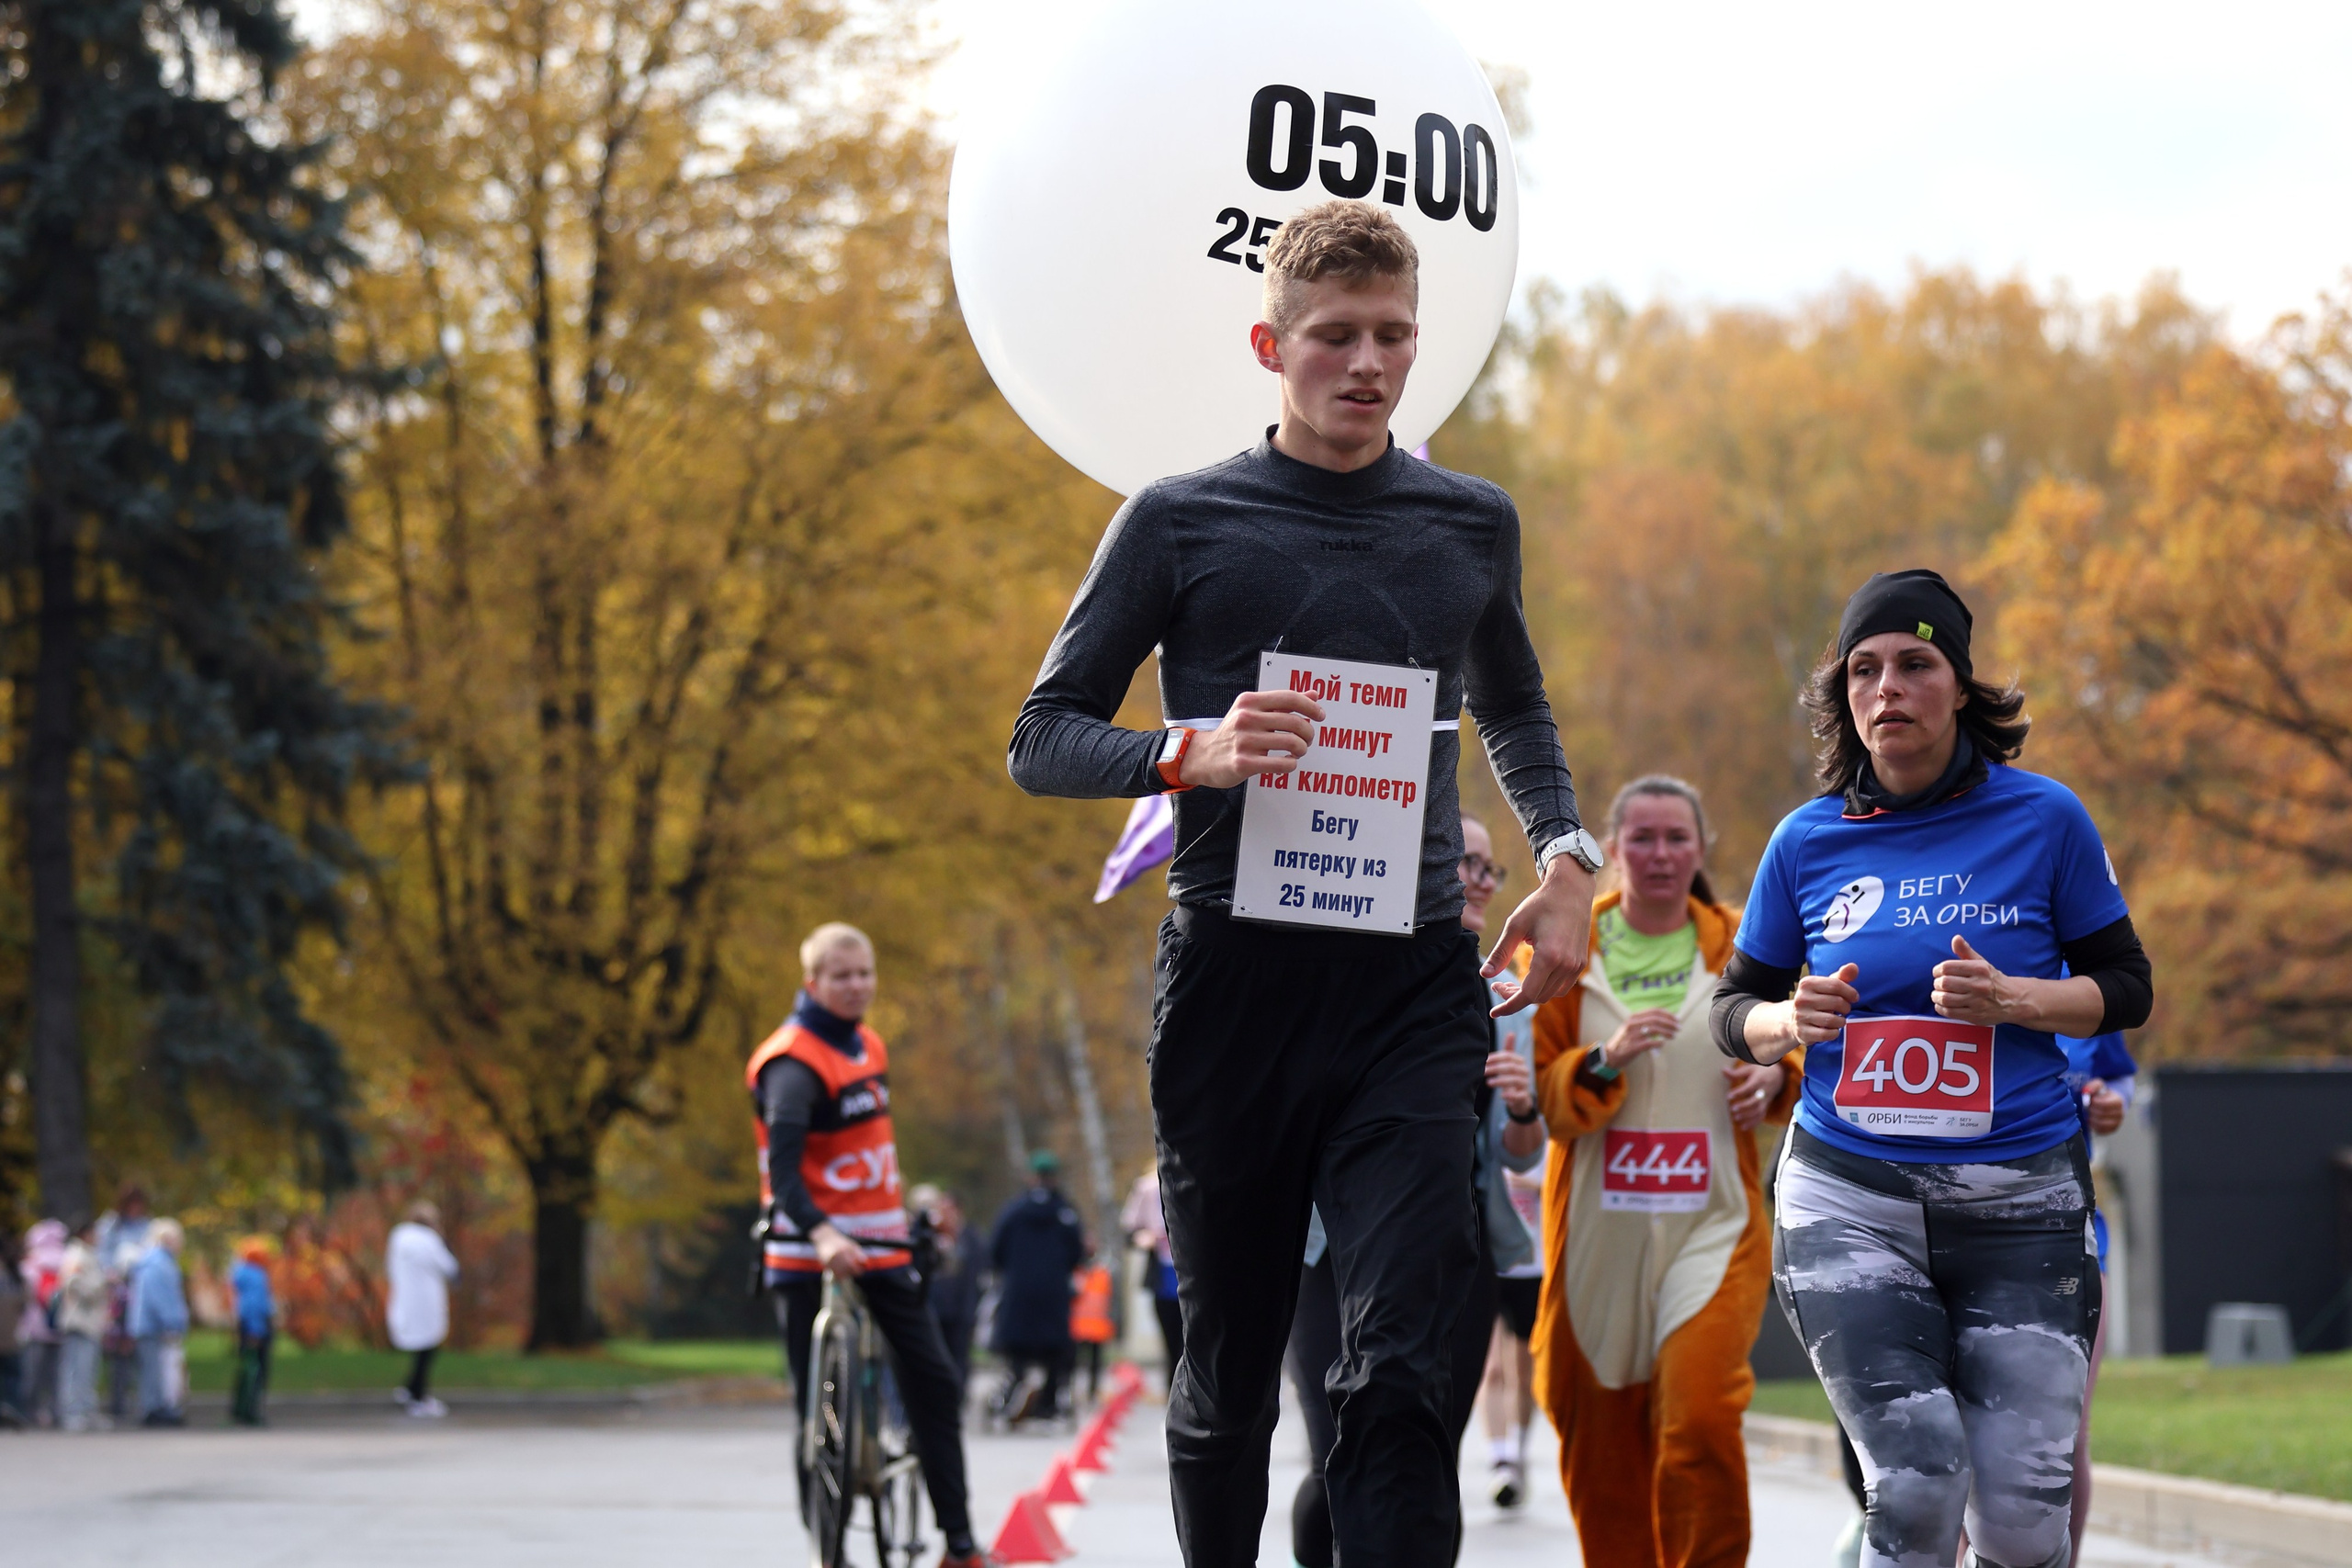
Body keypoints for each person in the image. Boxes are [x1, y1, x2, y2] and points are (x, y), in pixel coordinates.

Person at [1008, 197, 1598, 1568]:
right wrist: (1184, 749)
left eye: (1394, 335)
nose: (1369, 363)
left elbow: (1515, 711)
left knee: (1399, 1363)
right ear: (1273, 343)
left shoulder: (1468, 523)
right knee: (1226, 1367)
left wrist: (1566, 856)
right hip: (1234, 984)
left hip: (1407, 989)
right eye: (1336, 336)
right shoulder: (1178, 518)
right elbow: (1042, 736)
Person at [1712, 569, 2153, 1568]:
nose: (1887, 689)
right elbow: (1728, 1011)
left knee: (2025, 1526)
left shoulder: (2044, 820)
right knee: (1913, 1485)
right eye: (1863, 670)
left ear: (1959, 687)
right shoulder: (1806, 839)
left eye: (1914, 665)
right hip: (1848, 1194)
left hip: (2020, 1204)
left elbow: (2125, 985)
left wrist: (2015, 1002)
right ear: (1843, 697)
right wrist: (1786, 1019)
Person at [1528, 775, 1797, 1567]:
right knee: (1601, 1448)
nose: (1659, 854)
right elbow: (1542, 1094)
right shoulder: (1561, 948)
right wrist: (1603, 1063)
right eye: (1640, 838)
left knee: (1703, 1418)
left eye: (1676, 837)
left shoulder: (1748, 945)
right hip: (1596, 1246)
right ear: (1612, 850)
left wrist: (1778, 1077)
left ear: (1701, 848)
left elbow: (1804, 1044)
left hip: (1711, 1228)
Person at [1283, 810, 1546, 1568]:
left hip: (1454, 1252)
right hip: (1333, 1246)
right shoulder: (1348, 970)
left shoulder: (1505, 992)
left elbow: (1519, 1155)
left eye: (1489, 868)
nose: (1477, 878)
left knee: (1426, 1461)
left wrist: (1524, 1106)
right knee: (1336, 1444)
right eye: (1462, 860)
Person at [747, 922, 988, 1568]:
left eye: (865, 973)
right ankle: (832, 1552)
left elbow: (868, 1146)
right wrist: (822, 1233)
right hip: (811, 1256)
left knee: (934, 1383)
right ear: (813, 983)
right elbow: (784, 1174)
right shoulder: (793, 1064)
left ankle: (959, 1545)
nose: (857, 986)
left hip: (883, 1249)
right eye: (841, 976)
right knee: (818, 1412)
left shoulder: (868, 1046)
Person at [989, 1149, 1086, 1426]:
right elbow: (1077, 1253)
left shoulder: (1013, 1211)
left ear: (1031, 1177)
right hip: (1053, 1294)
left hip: (1019, 1292)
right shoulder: (1065, 1213)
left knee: (1016, 1351)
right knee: (1055, 1352)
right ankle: (1049, 1404)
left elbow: (995, 1250)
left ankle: (1013, 1392)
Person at [911, 1185, 987, 1401]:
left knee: (959, 1355)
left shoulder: (970, 1237)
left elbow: (978, 1269)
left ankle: (956, 1396)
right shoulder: (928, 1236)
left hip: (961, 1307)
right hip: (935, 1305)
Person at [386, 1201, 459, 1418]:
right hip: (427, 1304)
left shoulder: (398, 1236)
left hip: (404, 1301)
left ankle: (410, 1390)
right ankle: (418, 1397)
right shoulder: (430, 1240)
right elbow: (450, 1268)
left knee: (420, 1348)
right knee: (427, 1349)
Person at [1120, 1165, 1183, 1380]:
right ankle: (1174, 1391)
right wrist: (1145, 1238)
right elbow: (1130, 1232)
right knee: (1171, 1342)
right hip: (1164, 1277)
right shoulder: (1147, 1188)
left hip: (1190, 1273)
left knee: (1195, 1341)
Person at [96, 1185, 153, 1420]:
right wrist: (112, 1274)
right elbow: (102, 1254)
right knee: (119, 1352)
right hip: (118, 1294)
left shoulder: (147, 1226)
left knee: (139, 1351)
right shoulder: (111, 1225)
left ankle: (140, 1403)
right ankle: (117, 1402)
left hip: (139, 1291)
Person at [128, 1217, 189, 1427]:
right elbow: (160, 1298)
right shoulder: (158, 1264)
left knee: (154, 1369)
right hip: (153, 1326)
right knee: (154, 1370)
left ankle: (156, 1406)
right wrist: (172, 1322)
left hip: (149, 1325)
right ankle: (152, 1408)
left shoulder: (155, 1262)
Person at [53, 1219, 110, 1432]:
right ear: (85, 1233)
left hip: (91, 1322)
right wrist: (100, 1285)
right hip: (80, 1321)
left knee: (89, 1370)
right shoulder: (76, 1255)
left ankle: (87, 1410)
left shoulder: (88, 1254)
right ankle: (73, 1413)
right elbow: (72, 1283)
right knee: (77, 1369)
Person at [230, 1237, 277, 1427]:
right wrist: (256, 1330)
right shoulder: (256, 1275)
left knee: (247, 1367)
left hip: (246, 1326)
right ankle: (250, 1409)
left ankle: (242, 1408)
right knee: (256, 1370)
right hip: (256, 1329)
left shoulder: (241, 1274)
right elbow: (255, 1305)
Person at [1070, 1254, 1116, 1406]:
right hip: (1082, 1327)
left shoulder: (1082, 1275)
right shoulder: (1098, 1275)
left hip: (1090, 1327)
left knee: (1090, 1364)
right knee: (1081, 1364)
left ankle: (1089, 1392)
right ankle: (1083, 1392)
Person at [0, 1231, 26, 1428]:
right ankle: (11, 1409)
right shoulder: (14, 1272)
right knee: (12, 1377)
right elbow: (26, 1301)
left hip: (8, 1333)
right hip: (12, 1334)